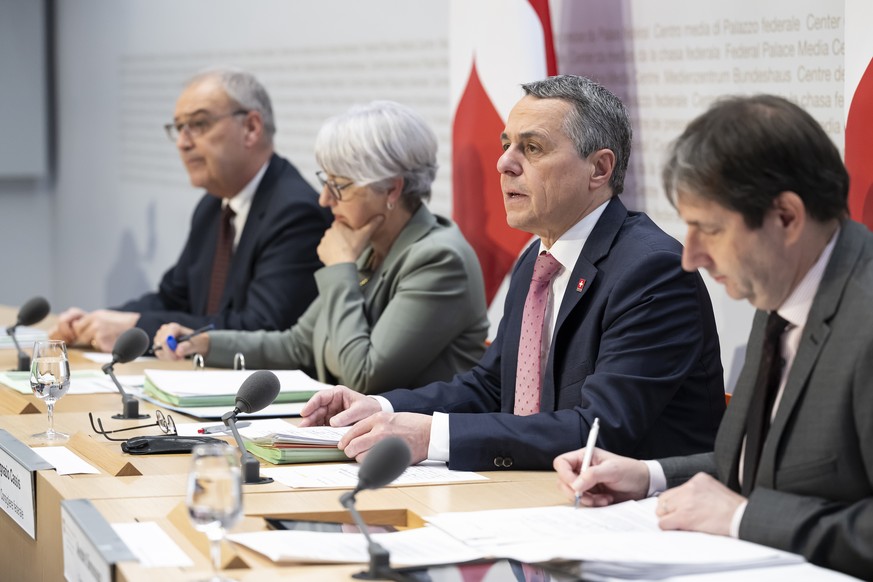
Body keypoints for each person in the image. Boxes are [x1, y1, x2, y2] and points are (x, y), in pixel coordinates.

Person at [299, 75, 725, 471]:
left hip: (640, 517)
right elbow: (492, 387)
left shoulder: (651, 270)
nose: (504, 163)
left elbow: (600, 429)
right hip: (540, 495)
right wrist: (382, 408)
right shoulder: (537, 259)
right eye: (506, 145)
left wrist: (433, 436)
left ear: (599, 169)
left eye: (532, 148)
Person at [555, 95, 873, 580]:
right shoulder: (785, 286)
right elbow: (760, 463)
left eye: (710, 229)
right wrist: (648, 476)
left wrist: (743, 518)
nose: (691, 256)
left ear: (786, 218)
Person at [154, 101, 489, 394]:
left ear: (391, 189)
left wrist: (340, 269)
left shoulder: (439, 260)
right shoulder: (366, 244)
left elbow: (364, 376)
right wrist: (207, 344)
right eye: (325, 182)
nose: (324, 199)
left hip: (415, 455)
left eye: (339, 186)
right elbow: (298, 344)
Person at [50, 68, 331, 352]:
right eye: (179, 128)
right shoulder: (213, 205)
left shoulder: (295, 212)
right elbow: (174, 297)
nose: (183, 143)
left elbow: (261, 328)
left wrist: (135, 326)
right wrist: (98, 322)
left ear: (251, 128)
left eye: (199, 124)